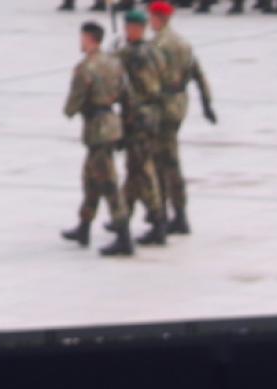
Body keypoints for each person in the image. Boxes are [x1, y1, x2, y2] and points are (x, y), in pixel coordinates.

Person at [60, 22, 130, 254]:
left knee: (108, 181)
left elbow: (73, 103)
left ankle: (123, 235)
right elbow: (125, 93)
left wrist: (70, 109)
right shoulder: (114, 62)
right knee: (91, 179)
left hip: (97, 129)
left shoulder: (85, 67)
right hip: (111, 123)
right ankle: (84, 225)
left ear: (89, 39)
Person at [147, 1, 215, 236]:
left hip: (162, 105)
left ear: (159, 18)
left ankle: (164, 215)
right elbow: (198, 73)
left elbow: (148, 78)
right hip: (179, 104)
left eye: (152, 17)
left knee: (161, 162)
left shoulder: (157, 45)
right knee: (172, 159)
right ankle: (179, 213)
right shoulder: (183, 43)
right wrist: (207, 104)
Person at [117, 10, 168, 248]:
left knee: (142, 169)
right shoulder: (154, 50)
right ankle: (123, 216)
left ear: (136, 28)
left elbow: (116, 71)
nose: (126, 31)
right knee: (135, 168)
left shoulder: (133, 53)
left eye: (128, 27)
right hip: (154, 114)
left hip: (138, 117)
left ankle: (158, 219)